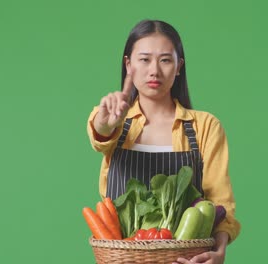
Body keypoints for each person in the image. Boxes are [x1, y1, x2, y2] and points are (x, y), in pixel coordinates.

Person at [87, 19, 241, 264]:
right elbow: (100, 133)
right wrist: (107, 123)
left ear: (179, 66)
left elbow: (220, 202)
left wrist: (219, 251)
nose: (154, 71)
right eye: (144, 59)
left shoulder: (205, 126)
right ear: (128, 65)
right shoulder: (115, 120)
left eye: (165, 60)